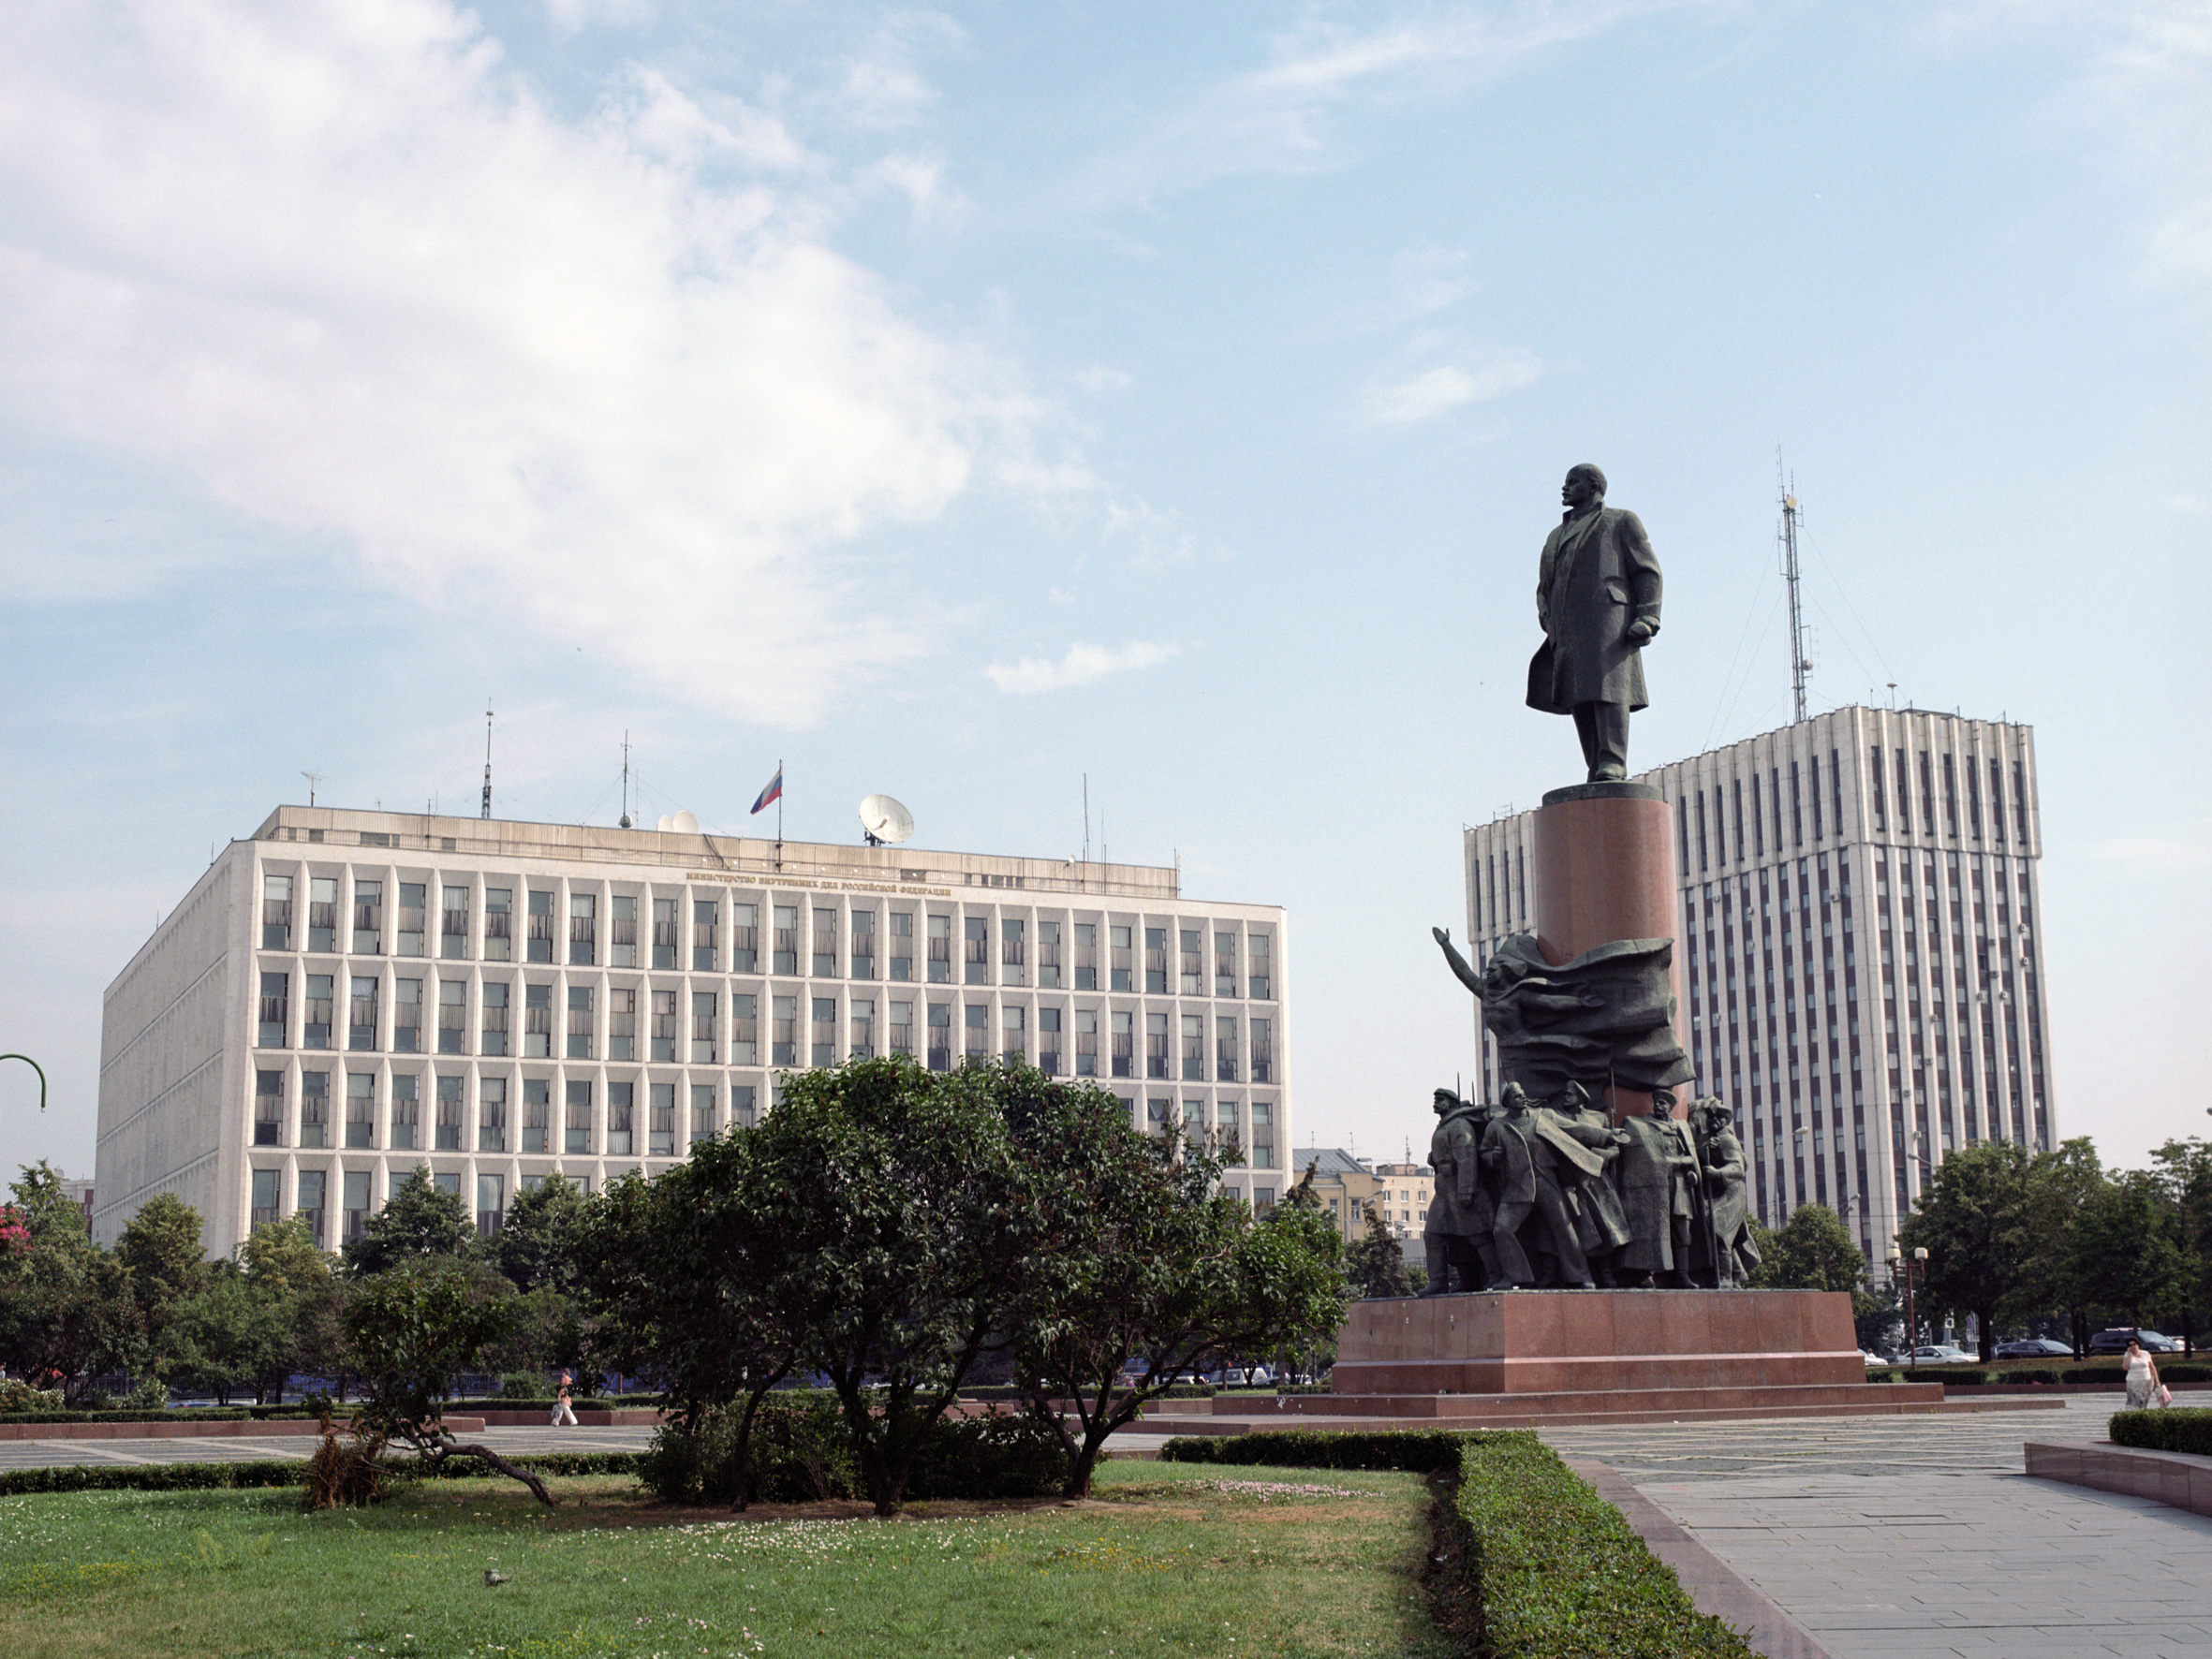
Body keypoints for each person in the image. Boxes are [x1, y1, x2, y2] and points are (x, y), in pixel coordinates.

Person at [1525, 463, 1663, 783]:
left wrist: (1648, 616)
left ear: (1594, 486)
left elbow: (1647, 570)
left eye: (1573, 482)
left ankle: (1612, 761)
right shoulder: (1555, 536)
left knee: (1609, 690)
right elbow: (1545, 584)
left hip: (1608, 621)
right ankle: (1595, 764)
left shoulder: (1621, 520)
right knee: (1578, 694)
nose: (1565, 488)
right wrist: (1545, 614)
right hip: (1566, 626)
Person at [2123, 1338, 2161, 1411]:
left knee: (2144, 1401)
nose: (2133, 1346)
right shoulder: (2127, 1355)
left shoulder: (2146, 1354)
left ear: (2138, 1345)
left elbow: (2152, 1368)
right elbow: (2125, 1367)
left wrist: (2157, 1381)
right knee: (2134, 1401)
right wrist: (2130, 1355)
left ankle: (2144, 1413)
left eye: (2134, 1344)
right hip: (2133, 1381)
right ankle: (2132, 1413)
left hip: (2147, 1381)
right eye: (2130, 1345)